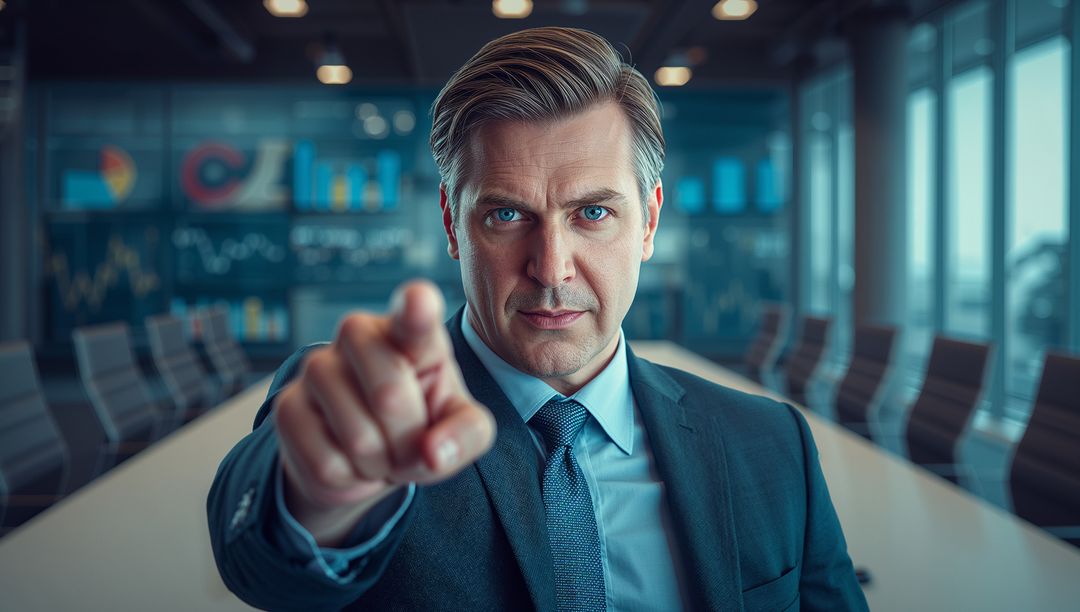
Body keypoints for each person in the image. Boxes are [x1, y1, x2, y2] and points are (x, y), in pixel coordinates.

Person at [207, 26, 868, 612]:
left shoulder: (772, 443)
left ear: (649, 222)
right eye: (506, 214)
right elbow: (266, 562)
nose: (551, 269)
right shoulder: (378, 411)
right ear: (452, 225)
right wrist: (319, 501)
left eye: (593, 213)